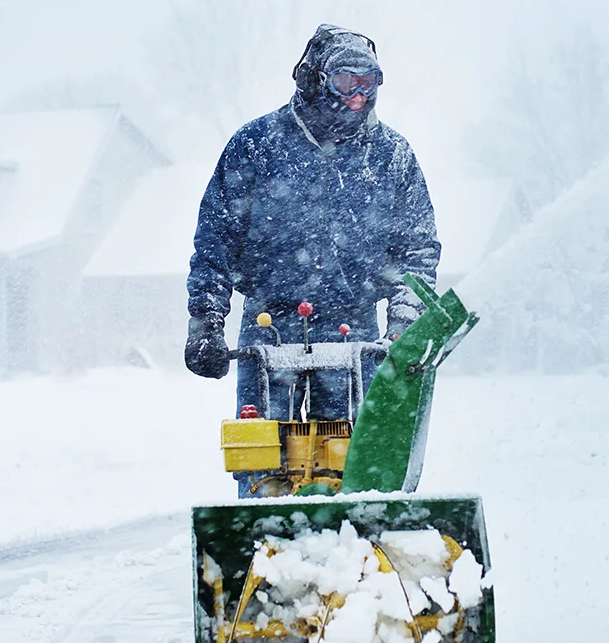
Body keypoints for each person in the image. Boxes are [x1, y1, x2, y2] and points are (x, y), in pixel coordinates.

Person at [184, 25, 440, 428]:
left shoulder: (391, 156)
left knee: (350, 455)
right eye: (345, 82)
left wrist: (404, 323)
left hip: (353, 328)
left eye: (368, 83)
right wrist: (205, 322)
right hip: (269, 325)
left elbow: (418, 250)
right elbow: (216, 240)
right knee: (263, 453)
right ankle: (264, 492)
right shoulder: (257, 145)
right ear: (314, 80)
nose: (358, 97)